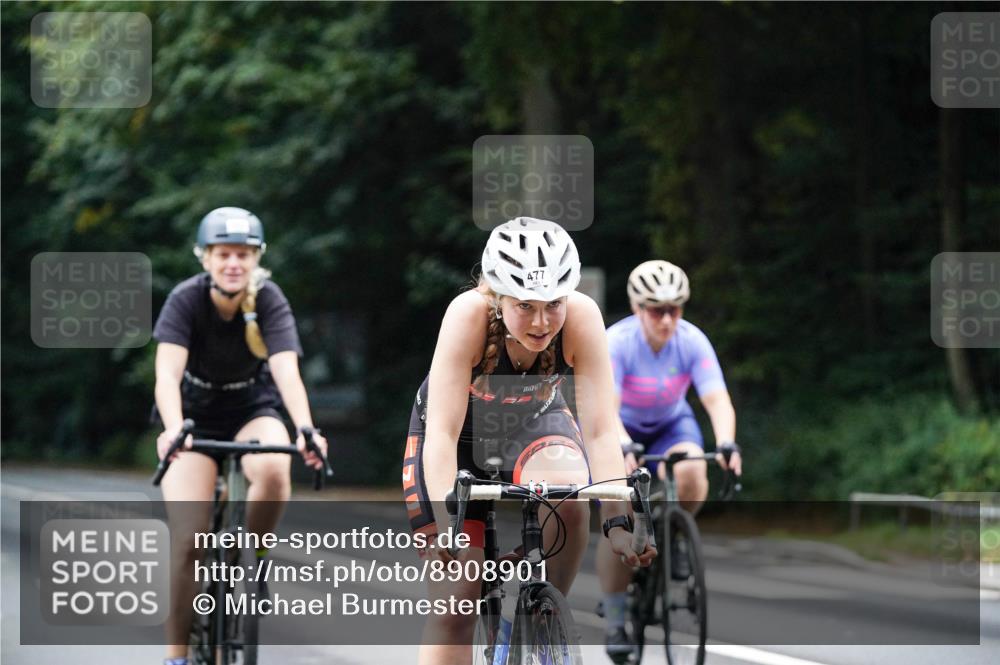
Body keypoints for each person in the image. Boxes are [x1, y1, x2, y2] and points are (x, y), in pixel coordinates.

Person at [401, 217, 657, 665]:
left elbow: (599, 429)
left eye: (553, 304)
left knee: (571, 498)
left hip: (533, 424)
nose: (542, 322)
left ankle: (543, 616)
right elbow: (441, 432)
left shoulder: (581, 317)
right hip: (456, 438)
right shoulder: (468, 315)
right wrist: (448, 524)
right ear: (497, 298)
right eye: (525, 306)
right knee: (456, 606)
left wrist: (617, 521)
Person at [152, 207, 328, 665]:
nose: (234, 263)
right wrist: (172, 430)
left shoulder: (268, 300)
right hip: (192, 418)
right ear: (205, 257)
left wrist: (306, 429)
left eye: (244, 255)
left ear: (257, 259)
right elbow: (166, 375)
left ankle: (255, 553)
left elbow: (286, 371)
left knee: (273, 465)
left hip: (252, 409)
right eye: (224, 254)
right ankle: (176, 657)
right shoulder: (185, 300)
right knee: (189, 541)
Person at [596, 260, 742, 663]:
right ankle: (615, 616)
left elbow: (715, 399)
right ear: (636, 307)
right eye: (655, 310)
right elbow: (605, 409)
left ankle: (676, 530)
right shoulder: (617, 342)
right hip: (621, 425)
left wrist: (727, 442)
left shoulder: (692, 341)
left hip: (671, 424)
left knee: (693, 468)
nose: (666, 319)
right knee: (619, 512)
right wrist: (623, 445)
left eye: (674, 309)